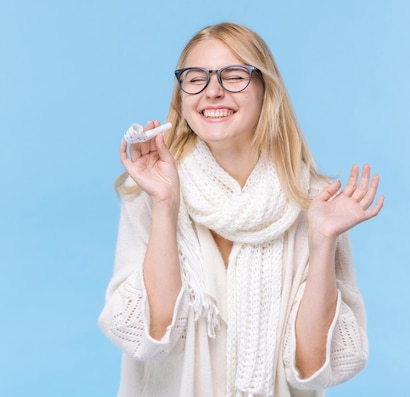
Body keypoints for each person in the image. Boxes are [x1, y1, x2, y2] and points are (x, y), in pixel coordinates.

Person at [98, 22, 384, 397]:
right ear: (182, 97)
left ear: (266, 90)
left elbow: (312, 369)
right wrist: (166, 204)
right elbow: (152, 337)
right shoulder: (151, 190)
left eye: (233, 76)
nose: (212, 91)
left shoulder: (314, 202)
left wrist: (322, 241)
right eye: (196, 78)